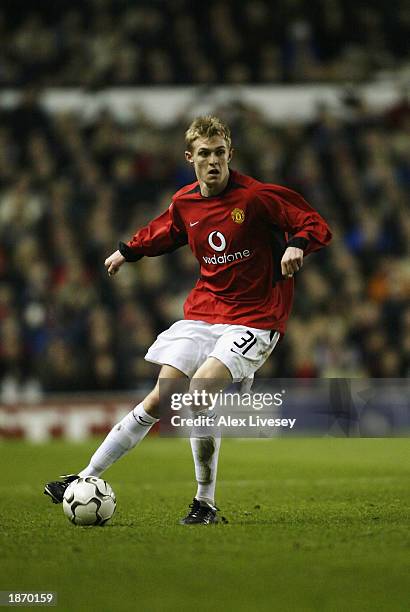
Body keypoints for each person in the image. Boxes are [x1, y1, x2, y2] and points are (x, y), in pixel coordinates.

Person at [44, 115, 332, 524]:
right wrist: (129, 251)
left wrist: (297, 244)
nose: (212, 161)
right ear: (190, 158)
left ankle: (205, 502)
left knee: (198, 394)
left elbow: (312, 221)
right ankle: (84, 475)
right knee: (160, 398)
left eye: (219, 153)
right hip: (203, 314)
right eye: (204, 154)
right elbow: (165, 230)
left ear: (230, 154)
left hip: (253, 319)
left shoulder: (257, 198)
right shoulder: (186, 202)